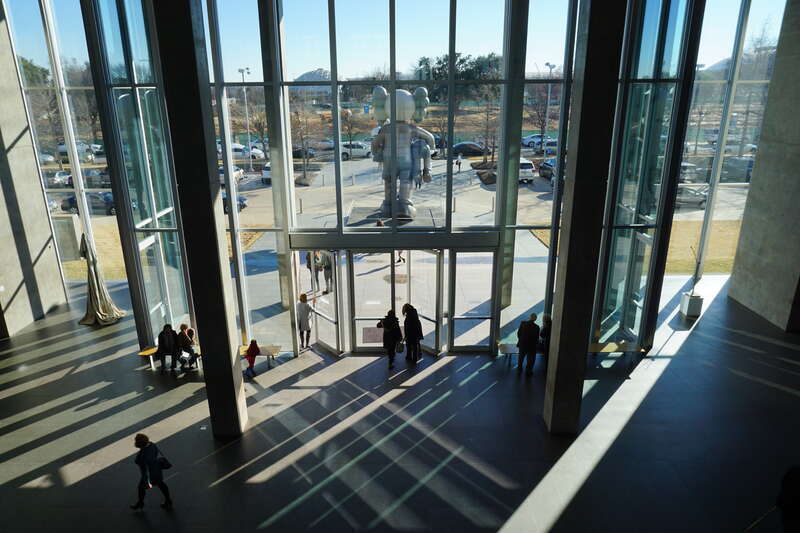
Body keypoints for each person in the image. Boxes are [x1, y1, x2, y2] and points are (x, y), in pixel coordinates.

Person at [130, 433, 172, 510]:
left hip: (149, 473)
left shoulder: (144, 451)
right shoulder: (152, 444)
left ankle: (140, 503)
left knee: (141, 488)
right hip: (157, 470)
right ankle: (168, 500)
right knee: (161, 484)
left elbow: (138, 461)